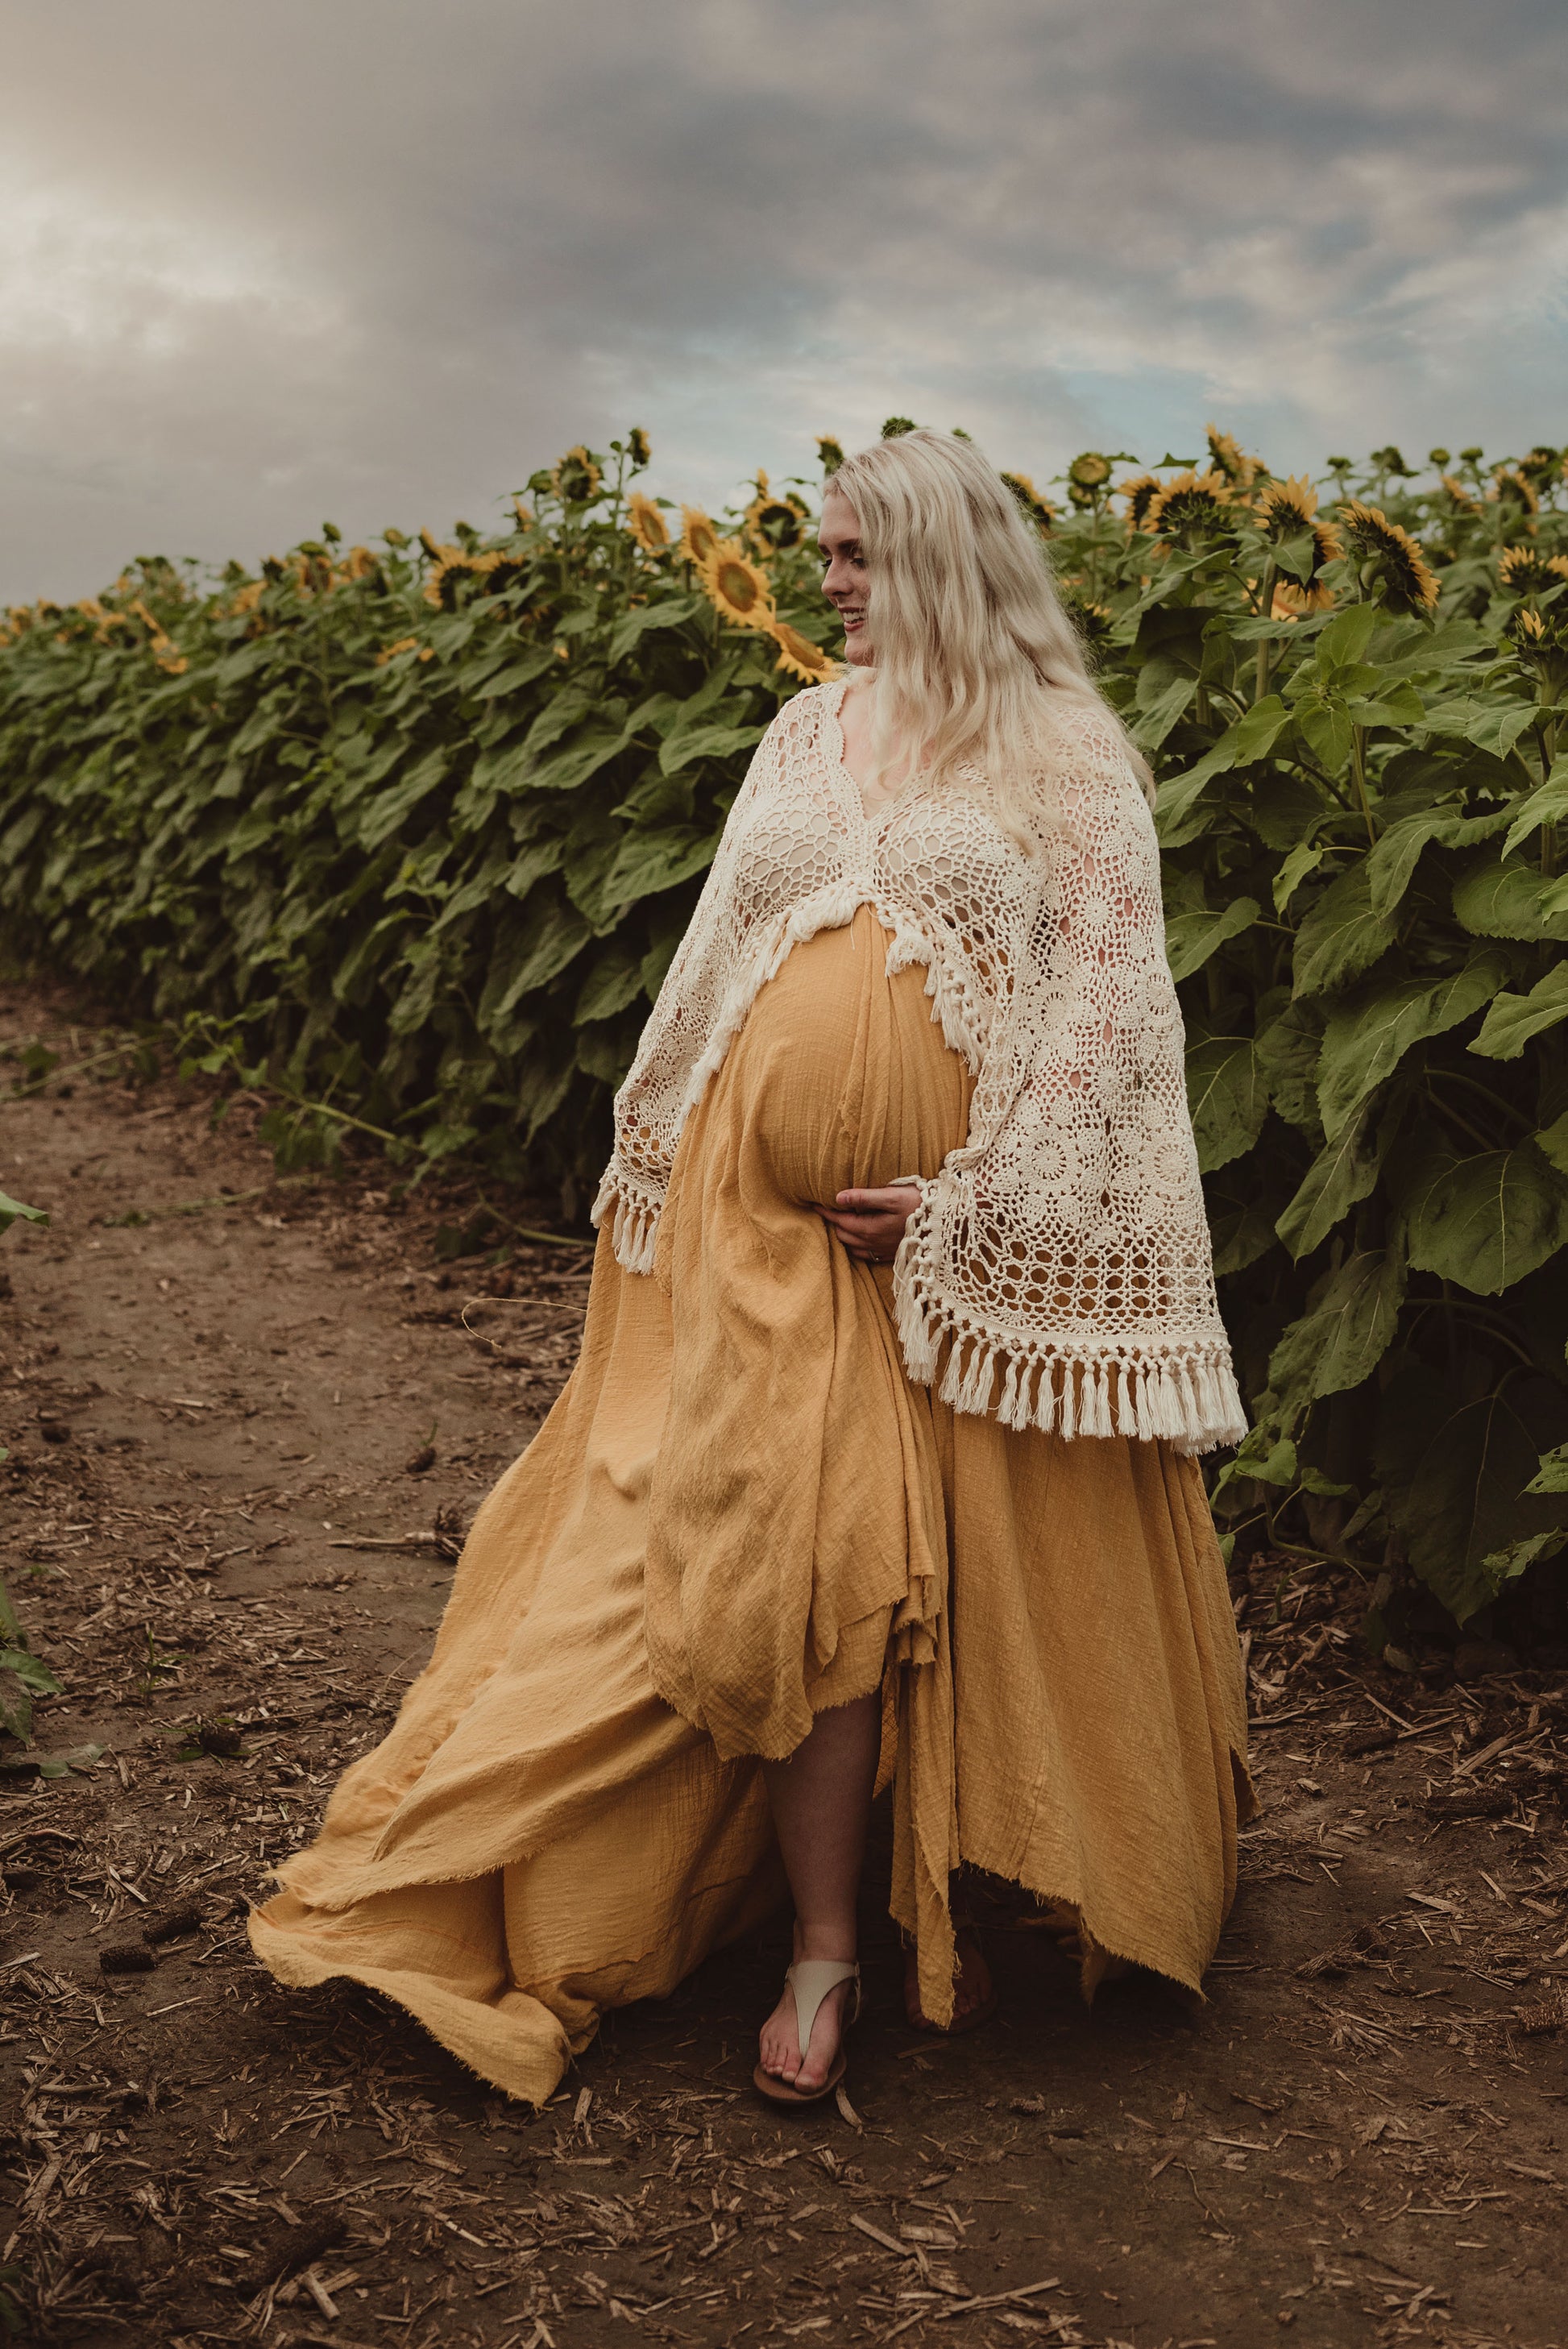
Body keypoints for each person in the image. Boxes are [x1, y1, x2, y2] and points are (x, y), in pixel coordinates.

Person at [251, 430, 1252, 2109]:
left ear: (944, 558)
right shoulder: (804, 731)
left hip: (941, 1242)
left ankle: (933, 1892)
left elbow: (1102, 1016)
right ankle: (821, 1946)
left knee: (957, 1587)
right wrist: (673, 1169)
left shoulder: (1061, 754)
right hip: (757, 1232)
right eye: (828, 553)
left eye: (858, 556)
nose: (830, 586)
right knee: (798, 1569)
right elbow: (717, 963)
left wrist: (968, 1204)